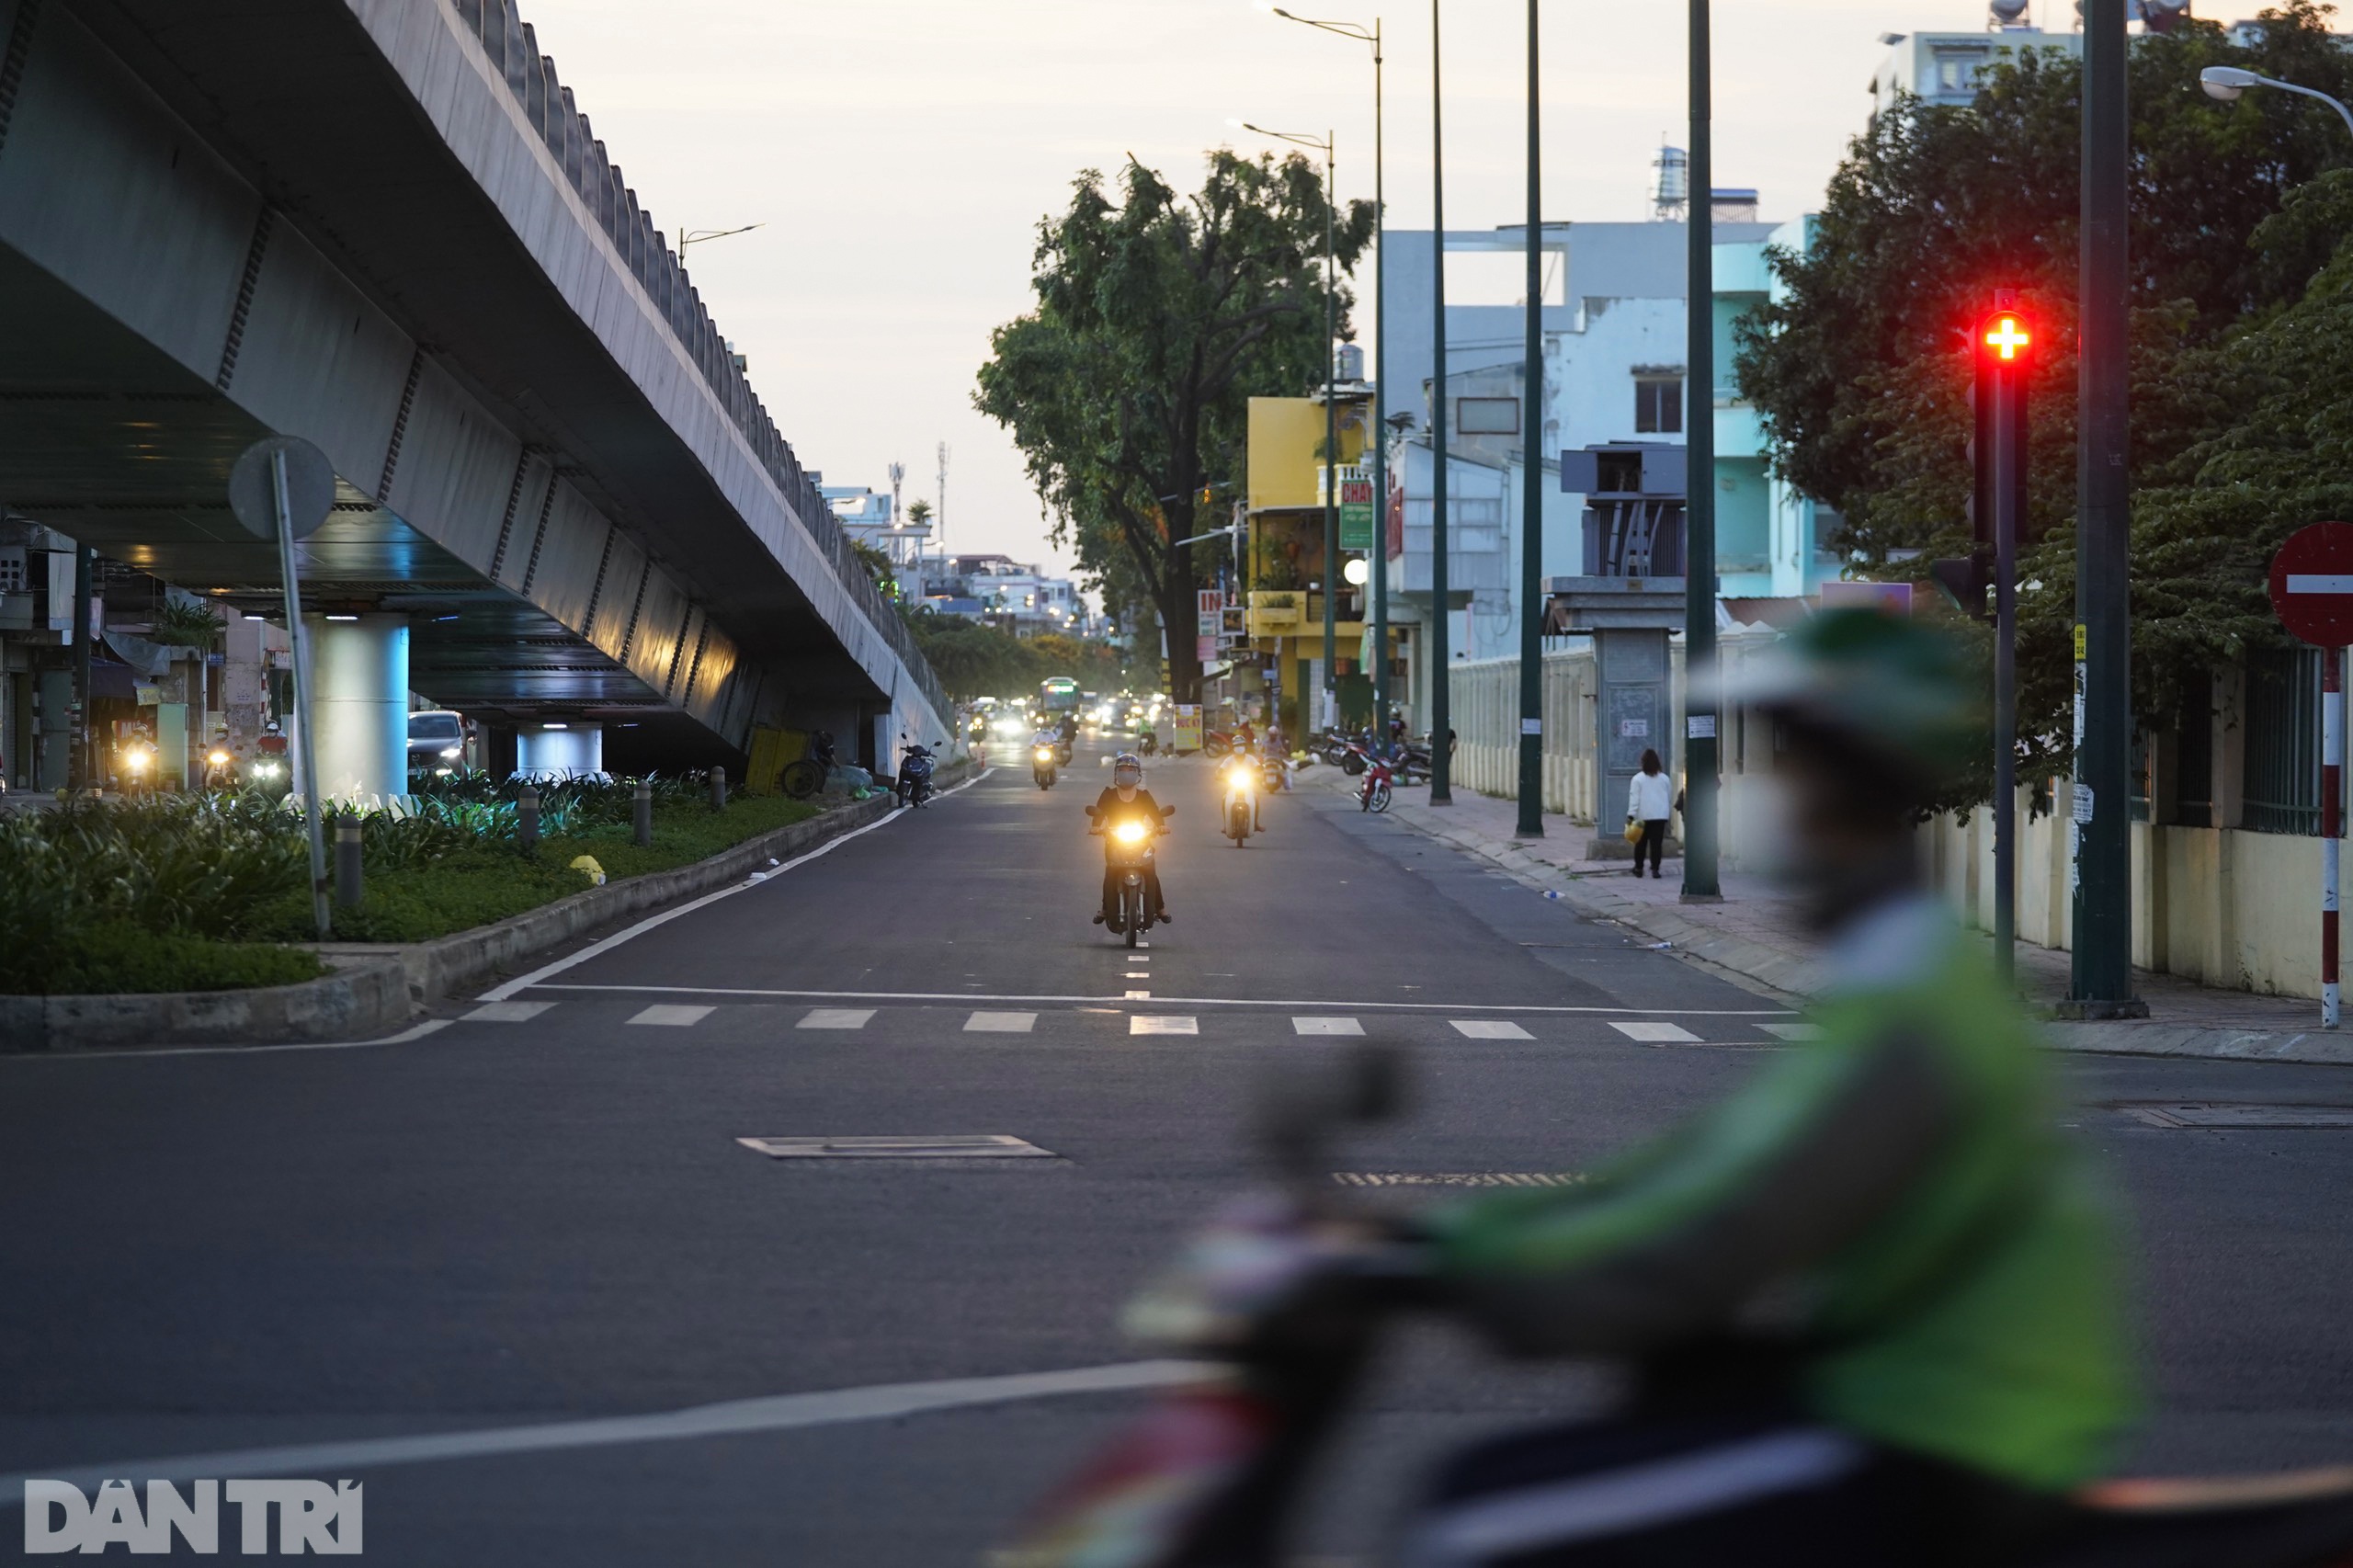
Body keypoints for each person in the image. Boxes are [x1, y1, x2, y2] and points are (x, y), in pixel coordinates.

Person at [1409, 609, 2139, 1559]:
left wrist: (1478, 1274)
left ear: (1844, 783)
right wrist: (1456, 1237)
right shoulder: (1892, 968)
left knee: (1480, 1518)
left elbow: (1725, 1226)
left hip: (1945, 1440)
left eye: (1792, 760)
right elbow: (1705, 1161)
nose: (1773, 790)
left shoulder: (1909, 1000)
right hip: (1899, 1397)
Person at [1090, 753, 1170, 925]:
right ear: (1116, 773)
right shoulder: (1108, 795)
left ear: (1137, 773)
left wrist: (1161, 826)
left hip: (1141, 841)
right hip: (1114, 841)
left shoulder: (1144, 796)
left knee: (1150, 871)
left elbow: (1156, 814)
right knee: (1111, 873)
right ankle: (1106, 908)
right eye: (1123, 770)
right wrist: (1096, 827)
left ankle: (1160, 907)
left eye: (1130, 769)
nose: (1126, 773)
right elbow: (1098, 813)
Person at [1627, 747, 1675, 879]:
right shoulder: (1664, 779)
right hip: (1660, 815)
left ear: (1642, 762)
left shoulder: (1637, 779)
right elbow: (1669, 797)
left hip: (1642, 816)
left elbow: (1634, 799)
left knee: (1640, 843)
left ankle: (1639, 868)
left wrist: (1631, 815)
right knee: (1656, 844)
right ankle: (1655, 869)